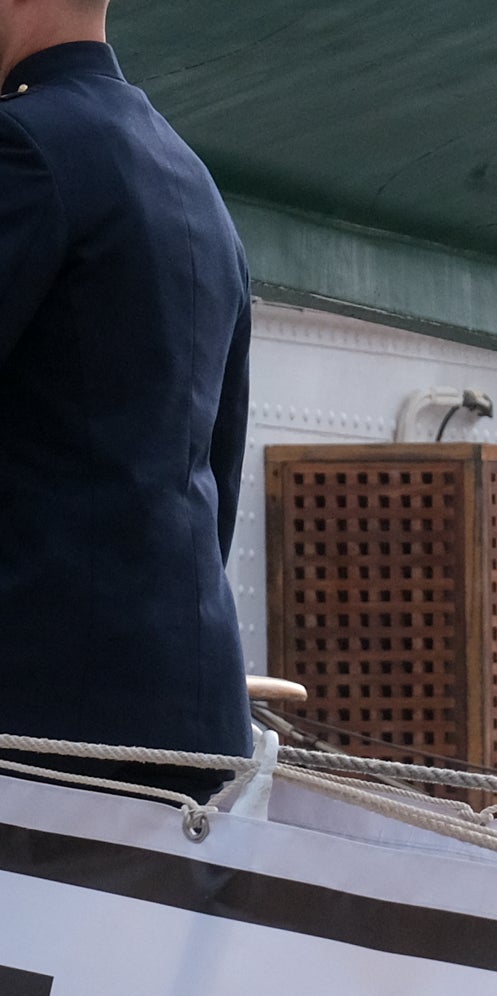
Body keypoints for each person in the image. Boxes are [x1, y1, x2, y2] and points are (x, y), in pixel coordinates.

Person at [0, 0, 252, 799]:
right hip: (194, 717)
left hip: (40, 717)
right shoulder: (195, 182)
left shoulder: (26, 148)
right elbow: (219, 471)